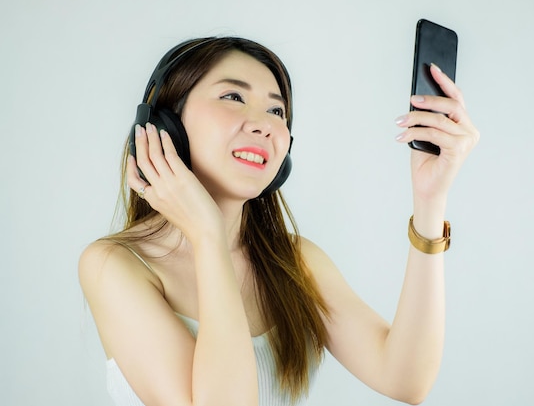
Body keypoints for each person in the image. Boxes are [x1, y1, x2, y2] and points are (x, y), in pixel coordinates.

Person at [78, 36, 479, 406]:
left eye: (276, 110)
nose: (265, 124)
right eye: (233, 96)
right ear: (164, 126)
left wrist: (430, 200)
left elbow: (406, 379)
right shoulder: (114, 265)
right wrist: (207, 235)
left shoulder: (295, 261)